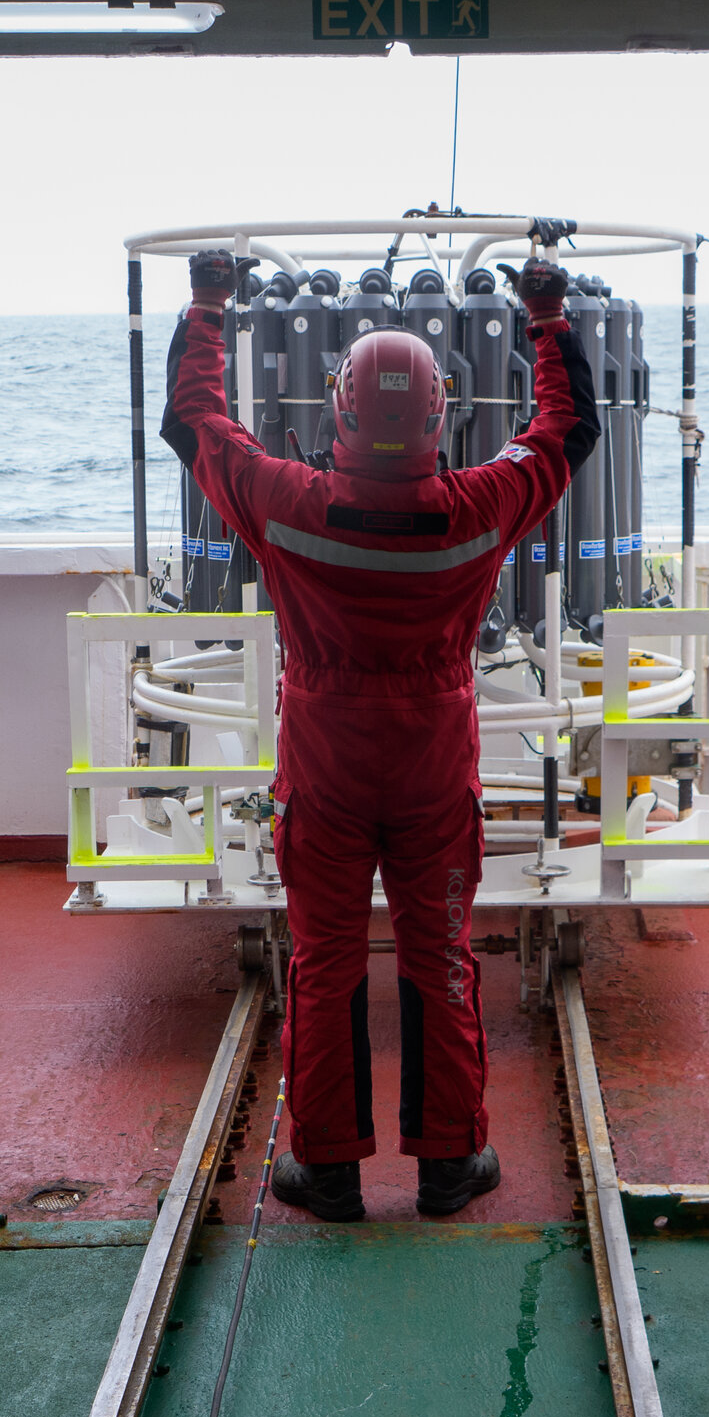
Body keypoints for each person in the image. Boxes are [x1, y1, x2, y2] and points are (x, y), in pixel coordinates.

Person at [161, 250, 598, 1221]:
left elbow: (194, 425)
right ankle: (449, 1167)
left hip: (324, 759)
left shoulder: (286, 505)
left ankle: (329, 1169)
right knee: (440, 953)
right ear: (440, 416)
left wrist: (206, 308)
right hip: (434, 764)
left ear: (338, 414)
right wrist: (547, 319)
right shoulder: (480, 509)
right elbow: (569, 435)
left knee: (324, 960)